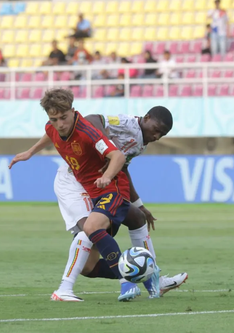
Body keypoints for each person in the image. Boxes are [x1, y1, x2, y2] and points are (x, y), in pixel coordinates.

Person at [10, 88, 154, 302]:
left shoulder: (88, 132)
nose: (60, 124)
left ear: (73, 111)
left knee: (90, 227)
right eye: (54, 119)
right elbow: (49, 133)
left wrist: (106, 176)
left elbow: (117, 156)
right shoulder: (53, 127)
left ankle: (126, 284)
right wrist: (30, 152)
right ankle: (147, 278)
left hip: (113, 189)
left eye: (64, 118)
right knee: (88, 263)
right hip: (94, 193)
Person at [40, 108, 186, 301]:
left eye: (162, 134)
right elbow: (94, 119)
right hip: (75, 181)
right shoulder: (127, 123)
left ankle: (153, 277)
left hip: (102, 183)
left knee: (135, 219)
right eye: (156, 129)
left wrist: (139, 204)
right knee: (90, 229)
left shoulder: (141, 144)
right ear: (147, 118)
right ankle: (65, 288)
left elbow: (122, 168)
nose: (157, 136)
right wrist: (105, 145)